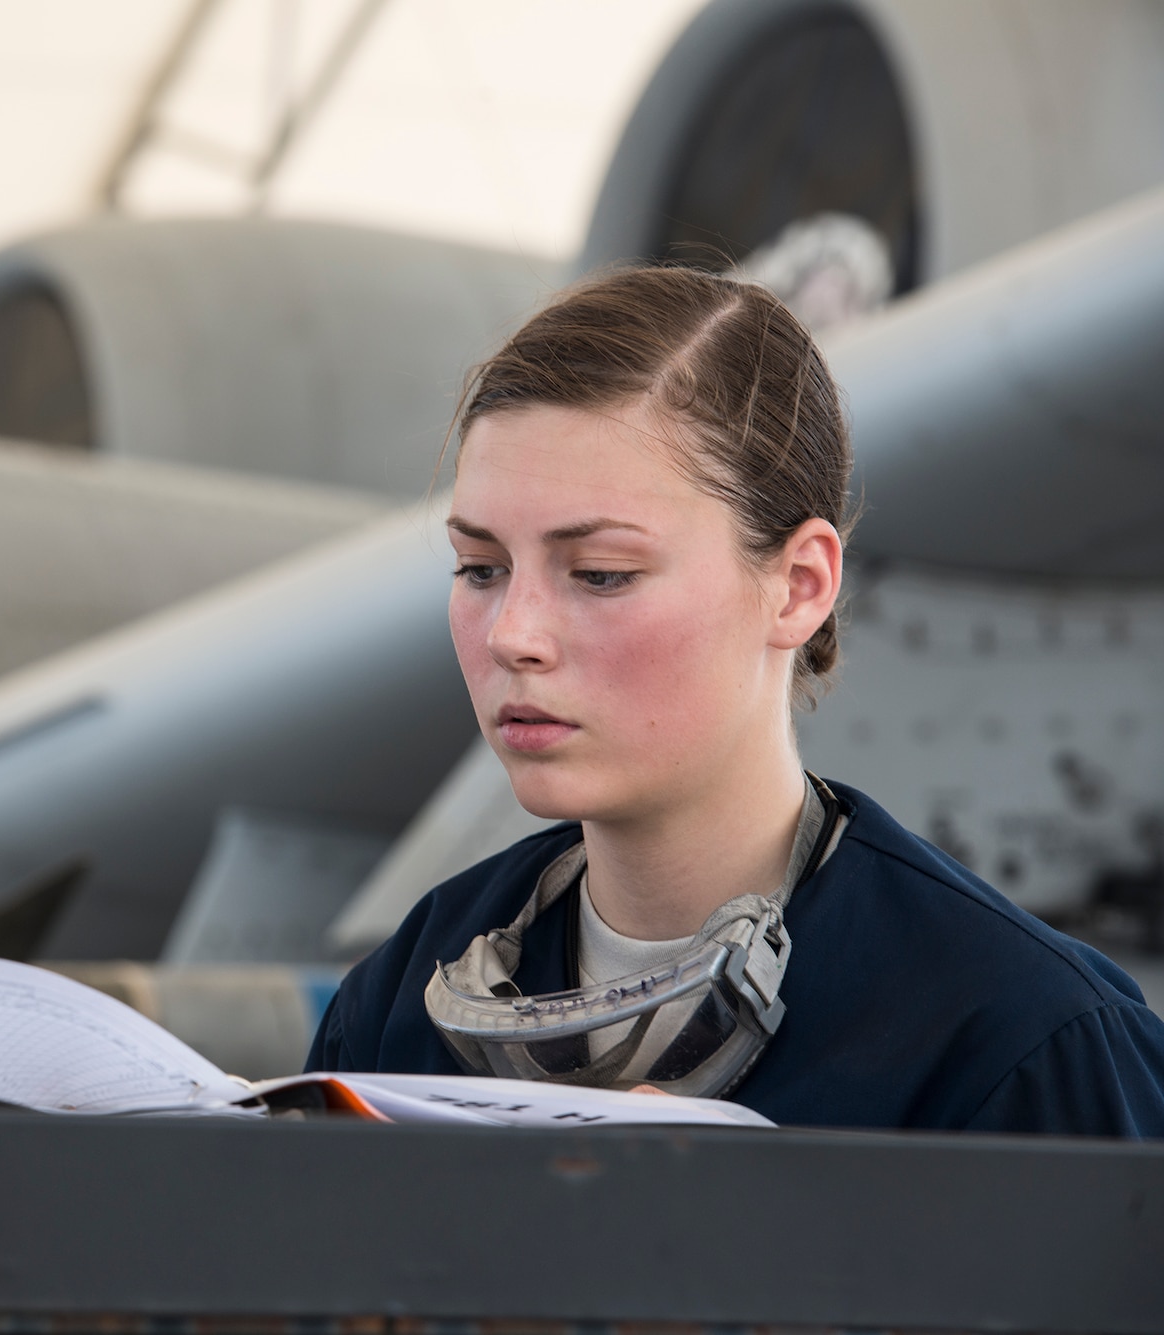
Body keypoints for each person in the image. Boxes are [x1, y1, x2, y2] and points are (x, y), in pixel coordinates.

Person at [308, 267, 1164, 1135]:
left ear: (798, 586)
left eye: (603, 573)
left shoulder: (1029, 1047)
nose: (511, 634)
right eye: (480, 568)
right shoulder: (394, 1006)